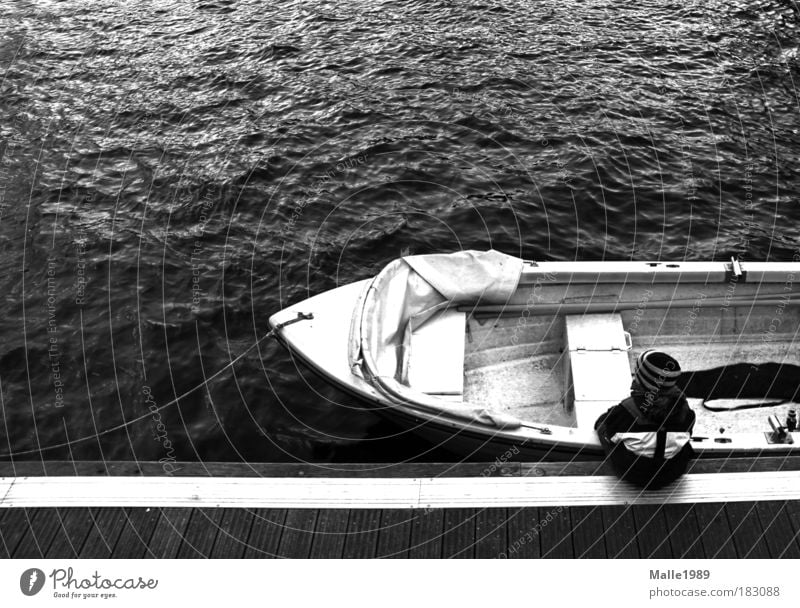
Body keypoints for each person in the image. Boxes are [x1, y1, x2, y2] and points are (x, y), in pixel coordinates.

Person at [594, 350, 696, 489]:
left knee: (603, 427)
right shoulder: (685, 410)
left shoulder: (626, 409)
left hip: (634, 474)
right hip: (671, 473)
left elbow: (607, 430)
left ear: (641, 378)